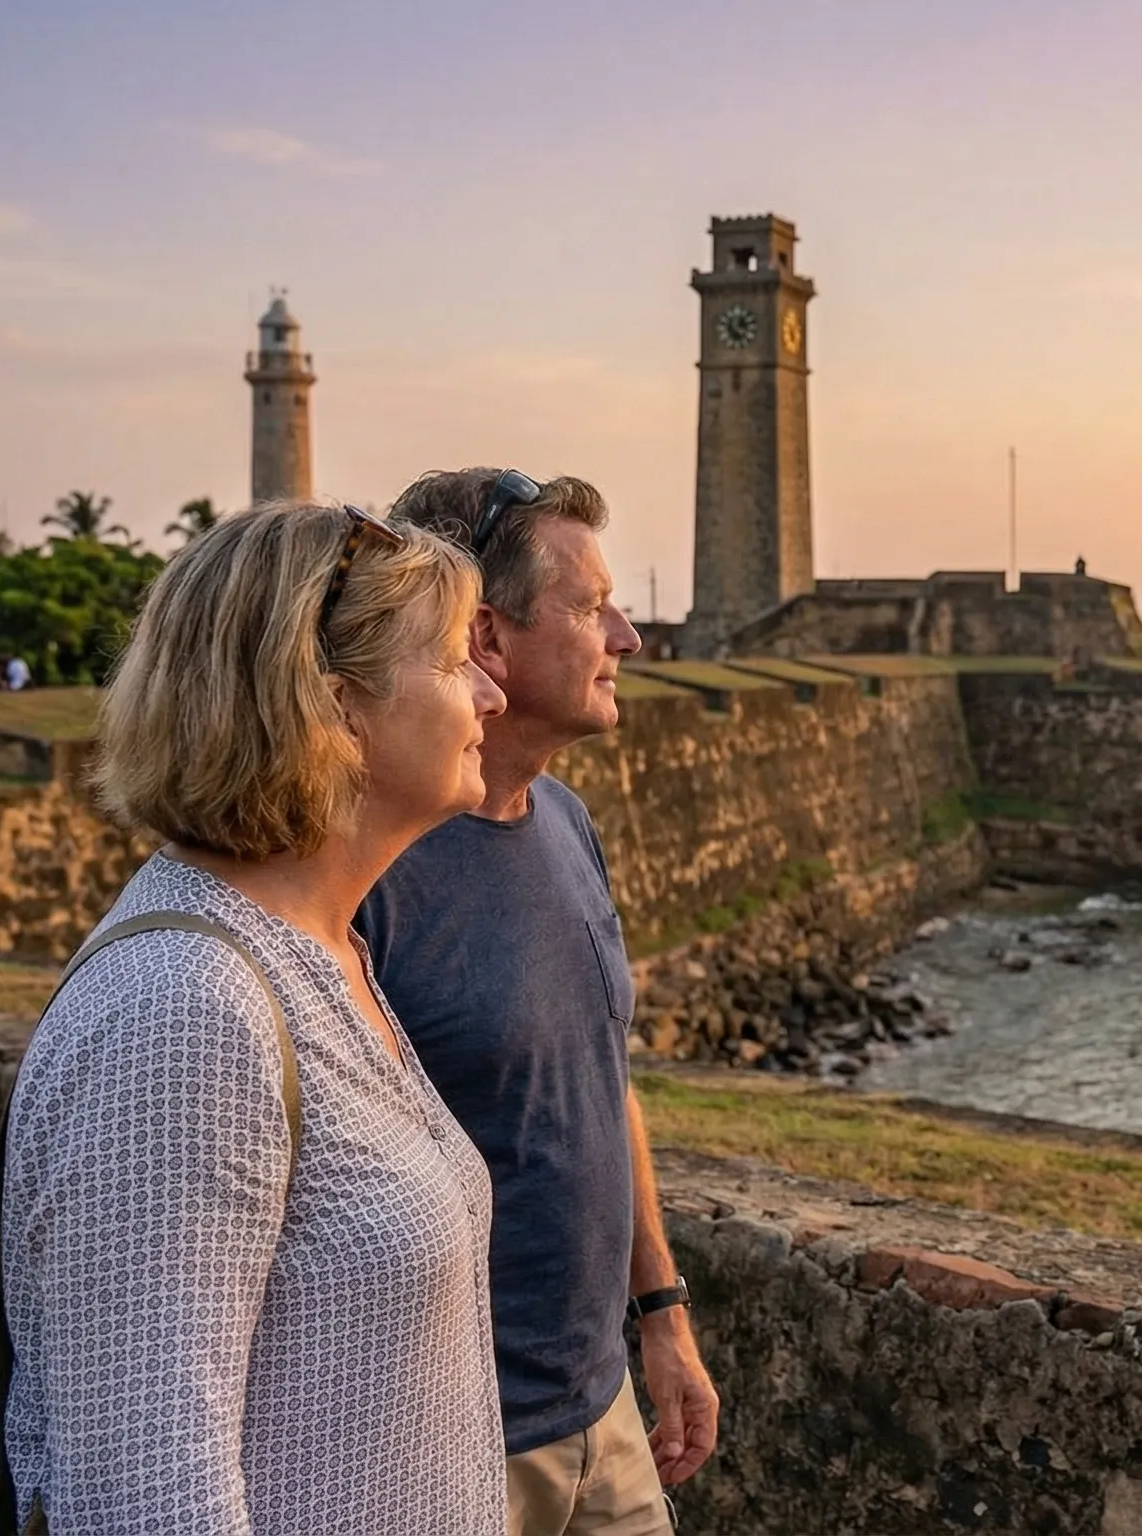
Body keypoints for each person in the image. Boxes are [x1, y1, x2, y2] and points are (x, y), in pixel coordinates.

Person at [3, 502, 511, 1534]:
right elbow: (142, 1499)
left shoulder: (322, 951)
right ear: (337, 709)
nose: (494, 694)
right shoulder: (184, 1012)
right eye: (459, 661)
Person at [359, 468, 715, 1536]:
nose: (629, 636)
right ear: (487, 641)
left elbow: (599, 1080)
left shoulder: (564, 821)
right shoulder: (365, 869)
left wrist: (660, 1313)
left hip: (599, 1416)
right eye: (590, 606)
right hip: (436, 1450)